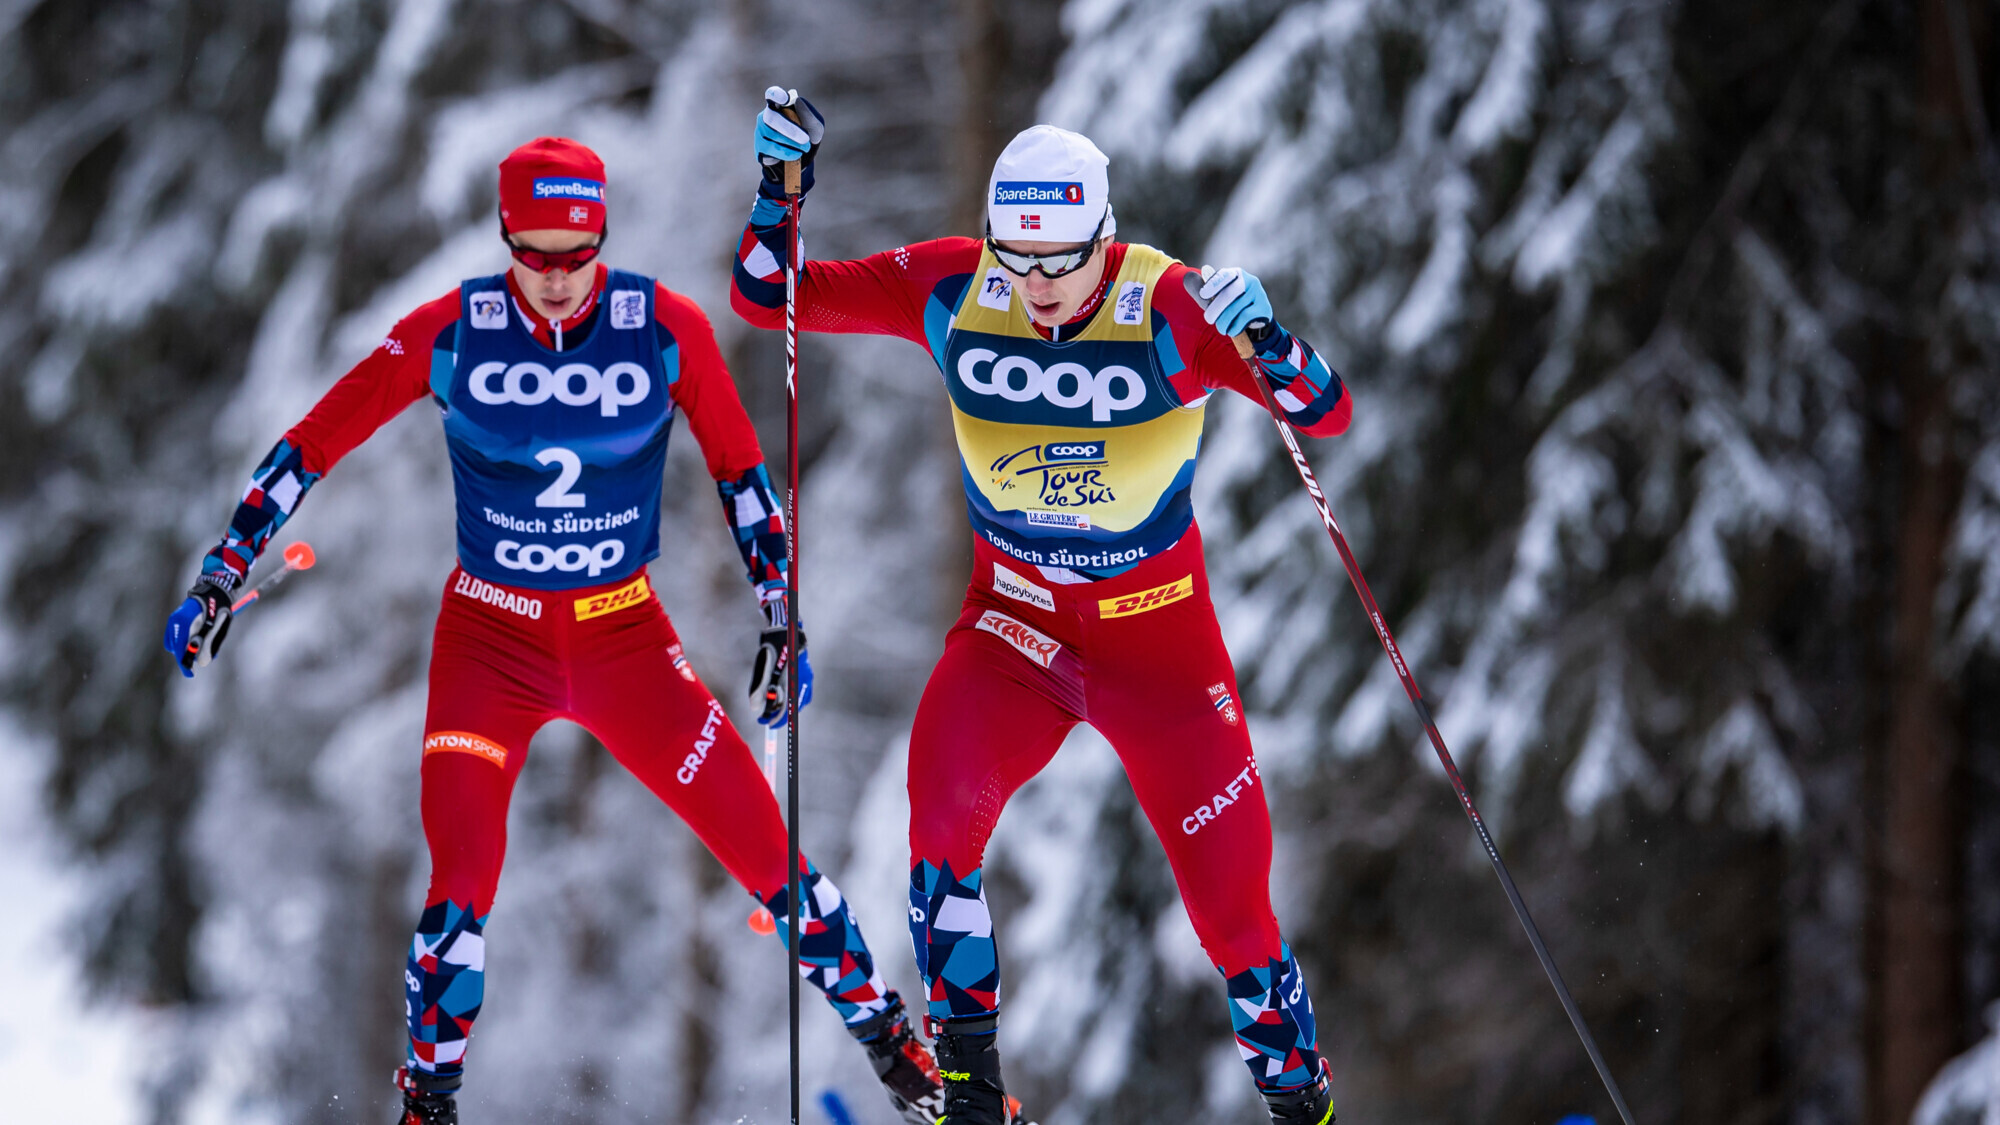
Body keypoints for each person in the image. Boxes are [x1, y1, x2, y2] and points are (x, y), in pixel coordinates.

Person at [163, 137, 945, 1125]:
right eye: (535, 255)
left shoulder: (661, 326)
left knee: (768, 855)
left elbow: (742, 471)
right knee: (460, 887)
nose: (558, 279)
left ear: (602, 236)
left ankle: (898, 1054)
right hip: (488, 647)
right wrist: (225, 567)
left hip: (625, 642)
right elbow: (314, 439)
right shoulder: (453, 331)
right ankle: (428, 1103)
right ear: (505, 239)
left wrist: (781, 615)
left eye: (578, 254)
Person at [733, 91, 1353, 1125]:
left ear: (1103, 241)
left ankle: (1299, 1104)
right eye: (1014, 263)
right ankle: (971, 1099)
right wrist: (776, 190)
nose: (1035, 290)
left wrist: (1267, 338)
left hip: (1155, 645)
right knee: (937, 821)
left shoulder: (1166, 307)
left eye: (1059, 263)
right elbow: (772, 298)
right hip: (1012, 628)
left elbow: (1325, 411)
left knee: (1233, 916)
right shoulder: (951, 288)